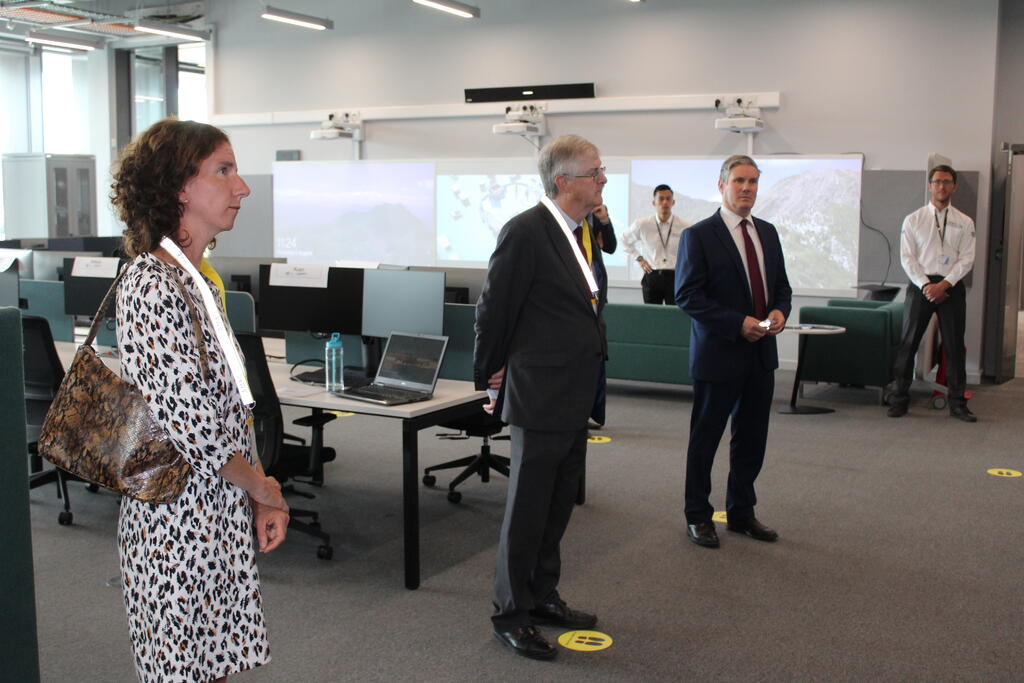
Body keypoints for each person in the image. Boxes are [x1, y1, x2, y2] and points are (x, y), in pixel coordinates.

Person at [110, 118, 290, 683]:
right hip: (175, 521)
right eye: (224, 170)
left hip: (216, 508)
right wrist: (263, 486)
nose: (243, 187)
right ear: (180, 187)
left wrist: (257, 490)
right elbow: (194, 426)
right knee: (183, 672)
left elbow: (228, 408)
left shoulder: (197, 280)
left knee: (213, 668)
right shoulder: (152, 283)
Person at [475, 134, 607, 660]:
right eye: (594, 172)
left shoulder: (578, 231)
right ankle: (510, 612)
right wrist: (488, 377)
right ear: (564, 182)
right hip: (539, 394)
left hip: (573, 393)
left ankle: (541, 594)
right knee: (527, 510)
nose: (602, 179)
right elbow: (494, 309)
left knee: (557, 507)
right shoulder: (526, 231)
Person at [674, 155, 792, 549]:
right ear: (722, 184)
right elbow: (688, 296)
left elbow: (781, 289)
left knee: (751, 440)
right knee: (705, 439)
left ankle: (742, 512)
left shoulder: (769, 232)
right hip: (719, 354)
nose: (747, 188)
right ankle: (697, 516)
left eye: (754, 182)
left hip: (761, 355)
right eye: (740, 181)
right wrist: (736, 322)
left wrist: (779, 311)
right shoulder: (699, 235)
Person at [888, 165, 977, 422]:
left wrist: (945, 284)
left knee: (954, 347)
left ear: (954, 186)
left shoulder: (964, 221)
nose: (942, 186)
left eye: (947, 182)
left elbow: (967, 259)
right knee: (908, 343)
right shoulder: (913, 219)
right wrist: (926, 285)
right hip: (920, 287)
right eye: (937, 181)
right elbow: (907, 258)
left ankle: (958, 403)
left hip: (951, 287)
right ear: (930, 185)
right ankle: (899, 399)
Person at [622, 184, 691, 304]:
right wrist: (639, 258)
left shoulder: (685, 225)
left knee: (674, 316)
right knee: (651, 317)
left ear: (673, 202)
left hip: (675, 276)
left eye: (668, 199)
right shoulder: (642, 224)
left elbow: (693, 249)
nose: (665, 202)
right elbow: (624, 240)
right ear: (654, 202)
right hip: (652, 275)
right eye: (661, 199)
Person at [585, 203, 616, 428]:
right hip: (575, 294)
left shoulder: (597, 214)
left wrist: (604, 220)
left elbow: (611, 247)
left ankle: (594, 413)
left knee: (597, 351)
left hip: (596, 295)